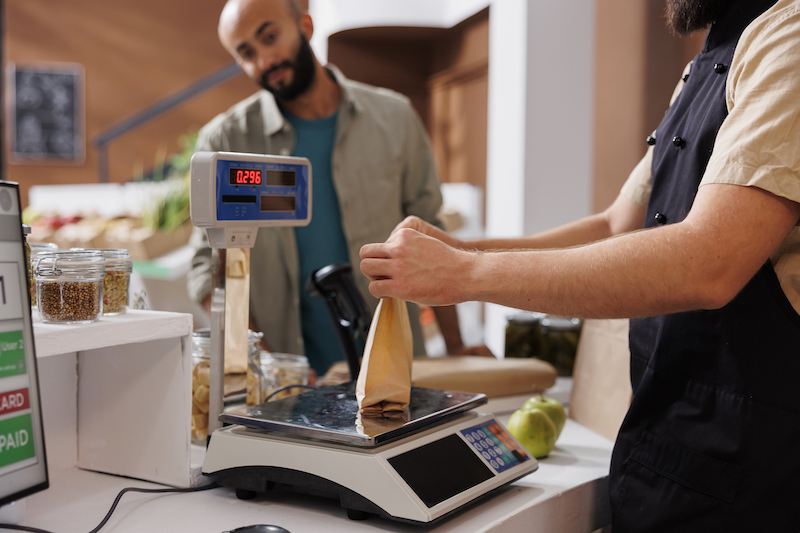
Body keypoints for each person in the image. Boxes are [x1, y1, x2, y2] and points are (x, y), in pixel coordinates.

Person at [360, 0, 800, 530]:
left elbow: (709, 262)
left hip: (754, 461)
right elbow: (616, 223)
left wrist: (463, 275)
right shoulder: (701, 67)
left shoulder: (789, 38)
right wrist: (459, 251)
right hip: (670, 441)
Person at [187, 0, 491, 377]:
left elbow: (432, 240)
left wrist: (456, 346)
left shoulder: (395, 119)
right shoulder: (226, 140)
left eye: (270, 37)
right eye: (247, 52)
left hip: (399, 369)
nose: (265, 60)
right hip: (293, 387)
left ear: (306, 25)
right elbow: (208, 268)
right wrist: (267, 365)